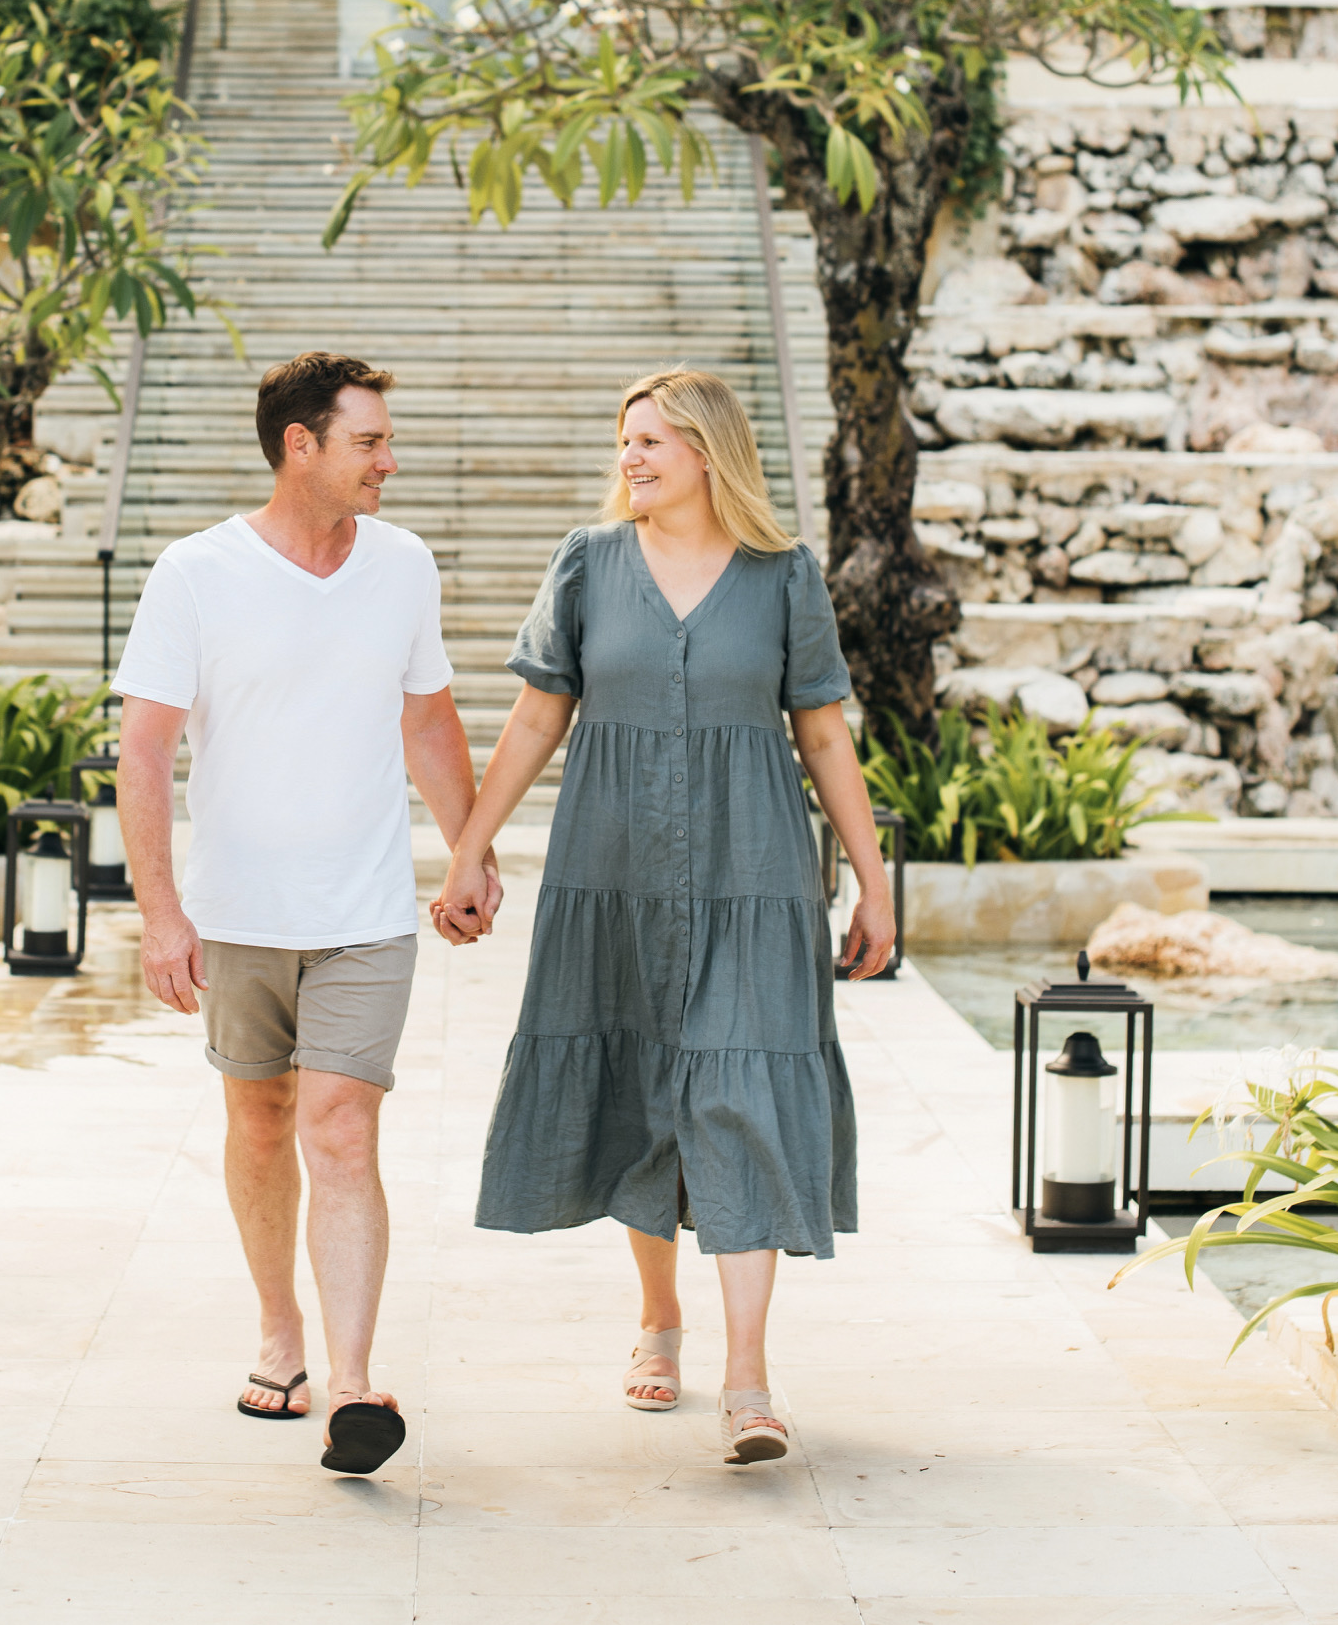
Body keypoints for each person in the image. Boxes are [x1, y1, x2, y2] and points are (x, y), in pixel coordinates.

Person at [433, 368, 894, 1466]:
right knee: (639, 1081)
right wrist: (469, 846)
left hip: (754, 871)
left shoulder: (784, 575)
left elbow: (824, 734)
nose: (629, 457)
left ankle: (748, 1377)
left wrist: (872, 882)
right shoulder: (587, 564)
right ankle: (657, 1317)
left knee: (743, 1090)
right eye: (625, 439)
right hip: (614, 863)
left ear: (707, 450)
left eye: (650, 440)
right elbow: (537, 715)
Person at [115, 350, 498, 1476]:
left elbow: (427, 719)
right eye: (368, 441)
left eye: (386, 440)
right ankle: (278, 1329)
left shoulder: (402, 565)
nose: (389, 460)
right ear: (301, 445)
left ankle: (353, 1382)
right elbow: (145, 750)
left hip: (364, 911)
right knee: (260, 1122)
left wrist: (468, 851)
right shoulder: (196, 573)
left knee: (339, 1126)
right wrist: (161, 912)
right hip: (237, 913)